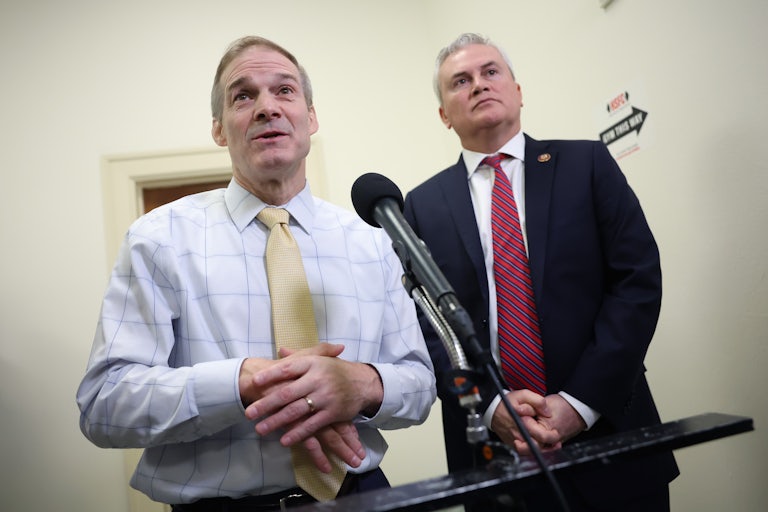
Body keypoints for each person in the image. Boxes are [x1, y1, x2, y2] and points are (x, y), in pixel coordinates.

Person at [76, 35, 436, 511]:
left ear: (311, 118)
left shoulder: (371, 240)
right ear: (219, 129)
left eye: (285, 91)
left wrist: (364, 385)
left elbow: (420, 383)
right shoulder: (157, 239)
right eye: (243, 96)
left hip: (363, 496)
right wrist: (239, 382)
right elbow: (104, 404)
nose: (267, 107)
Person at [402, 33, 679, 511]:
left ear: (518, 90)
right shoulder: (420, 206)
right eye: (460, 81)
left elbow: (637, 282)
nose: (479, 85)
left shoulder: (587, 163)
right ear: (444, 115)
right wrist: (493, 409)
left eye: (491, 72)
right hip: (495, 456)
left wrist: (578, 404)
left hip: (612, 432)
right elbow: (426, 326)